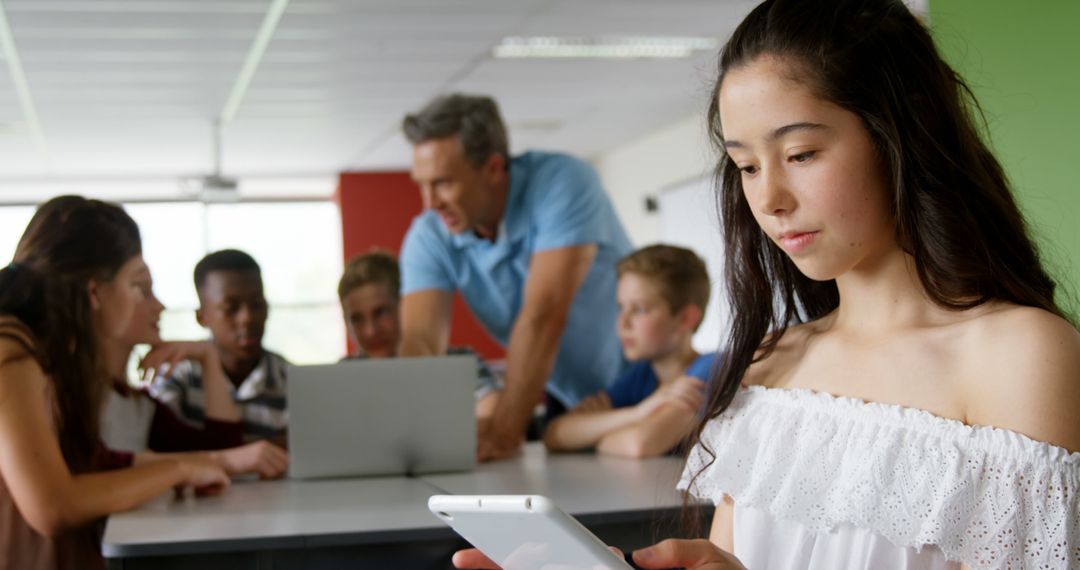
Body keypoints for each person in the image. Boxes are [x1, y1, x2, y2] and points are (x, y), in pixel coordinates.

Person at [453, 0, 1080, 568]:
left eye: (801, 153)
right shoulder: (774, 358)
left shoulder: (1020, 356)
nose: (769, 198)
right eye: (746, 166)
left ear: (903, 136)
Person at [398, 93, 633, 460]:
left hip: (645, 382)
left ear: (493, 167)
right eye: (421, 184)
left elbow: (543, 316)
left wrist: (504, 432)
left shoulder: (563, 182)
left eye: (443, 183)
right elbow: (420, 346)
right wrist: (425, 444)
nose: (430, 204)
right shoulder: (429, 235)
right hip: (569, 395)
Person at [0, 196, 230, 569]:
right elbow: (53, 507)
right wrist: (177, 470)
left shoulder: (54, 358)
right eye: (137, 285)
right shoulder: (12, 349)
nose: (148, 302)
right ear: (94, 292)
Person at [100, 268, 288, 478]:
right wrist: (189, 465)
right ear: (95, 296)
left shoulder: (139, 405)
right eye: (143, 290)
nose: (161, 306)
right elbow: (98, 468)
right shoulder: (71, 398)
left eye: (257, 304)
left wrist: (208, 357)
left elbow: (224, 451)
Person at [543, 245, 718, 458]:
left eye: (639, 309)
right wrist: (640, 412)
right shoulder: (642, 376)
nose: (622, 322)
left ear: (685, 318)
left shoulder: (710, 370)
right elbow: (556, 434)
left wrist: (594, 435)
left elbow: (639, 444)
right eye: (621, 307)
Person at [338, 250, 501, 416]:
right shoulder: (338, 379)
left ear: (406, 307)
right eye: (356, 319)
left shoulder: (458, 364)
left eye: (381, 313)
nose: (371, 331)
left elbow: (490, 408)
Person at [151, 249, 289, 443]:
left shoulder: (291, 380)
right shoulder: (177, 375)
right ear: (202, 317)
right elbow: (161, 448)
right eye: (230, 308)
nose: (247, 318)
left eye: (257, 304)